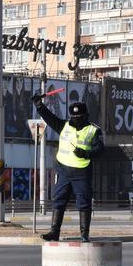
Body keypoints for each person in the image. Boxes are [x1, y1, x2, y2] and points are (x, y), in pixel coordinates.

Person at [31, 95, 104, 242]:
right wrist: (39, 106)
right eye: (74, 117)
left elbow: (100, 149)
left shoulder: (93, 130)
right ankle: (54, 232)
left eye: (79, 117)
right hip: (63, 170)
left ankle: (84, 234)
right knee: (58, 199)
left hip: (81, 172)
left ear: (86, 116)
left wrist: (86, 153)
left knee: (83, 202)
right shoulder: (64, 125)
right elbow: (50, 118)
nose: (76, 119)